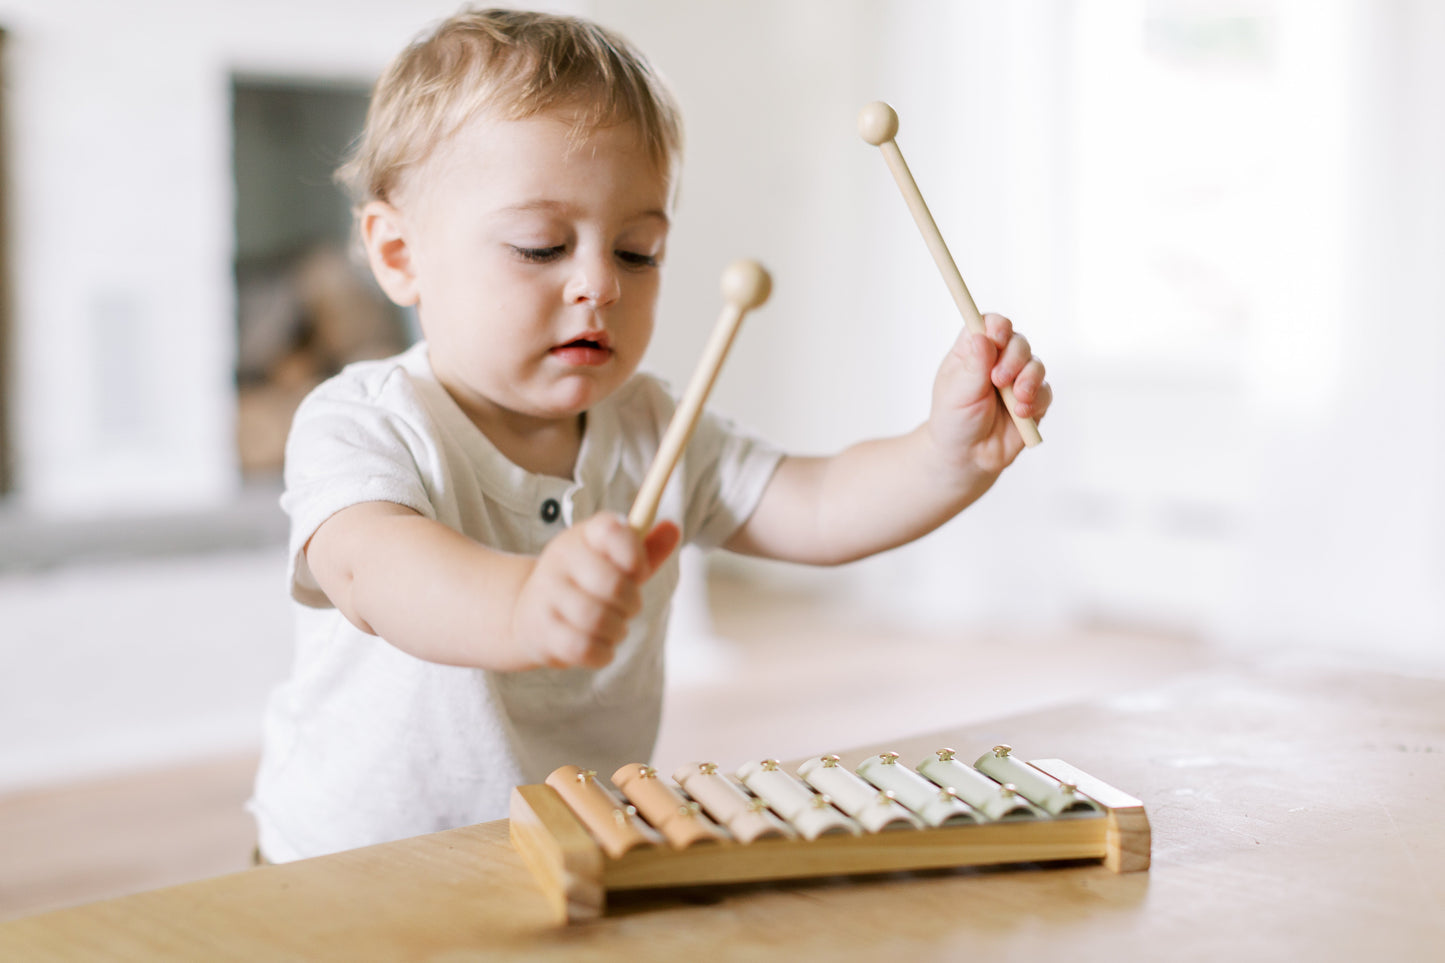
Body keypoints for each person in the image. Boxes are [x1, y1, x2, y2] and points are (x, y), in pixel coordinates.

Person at [248, 7, 1051, 864]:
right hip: (346, 867)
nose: (598, 283)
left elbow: (813, 506)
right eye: (540, 245)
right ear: (399, 253)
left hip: (563, 851)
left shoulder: (654, 425)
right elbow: (374, 568)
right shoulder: (362, 420)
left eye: (637, 251)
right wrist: (522, 605)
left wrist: (944, 454)